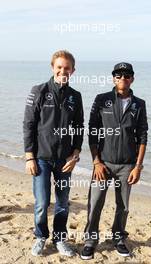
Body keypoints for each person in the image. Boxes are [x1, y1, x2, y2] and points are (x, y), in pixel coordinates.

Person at [81, 62, 148, 260]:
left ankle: (118, 237)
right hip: (103, 163)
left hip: (127, 165)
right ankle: (90, 240)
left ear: (132, 79)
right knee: (95, 203)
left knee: (123, 206)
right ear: (113, 78)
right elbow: (92, 131)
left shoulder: (139, 104)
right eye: (118, 75)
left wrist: (138, 166)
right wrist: (96, 162)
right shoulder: (102, 100)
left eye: (127, 75)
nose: (122, 78)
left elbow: (143, 136)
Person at [23, 50, 84, 257]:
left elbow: (79, 127)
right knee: (41, 203)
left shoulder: (75, 97)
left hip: (65, 160)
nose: (62, 71)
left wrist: (75, 154)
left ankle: (60, 239)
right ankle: (41, 237)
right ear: (52, 67)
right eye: (59, 67)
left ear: (73, 71)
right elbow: (28, 125)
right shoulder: (38, 91)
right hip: (40, 159)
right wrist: (29, 156)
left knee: (62, 203)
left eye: (67, 68)